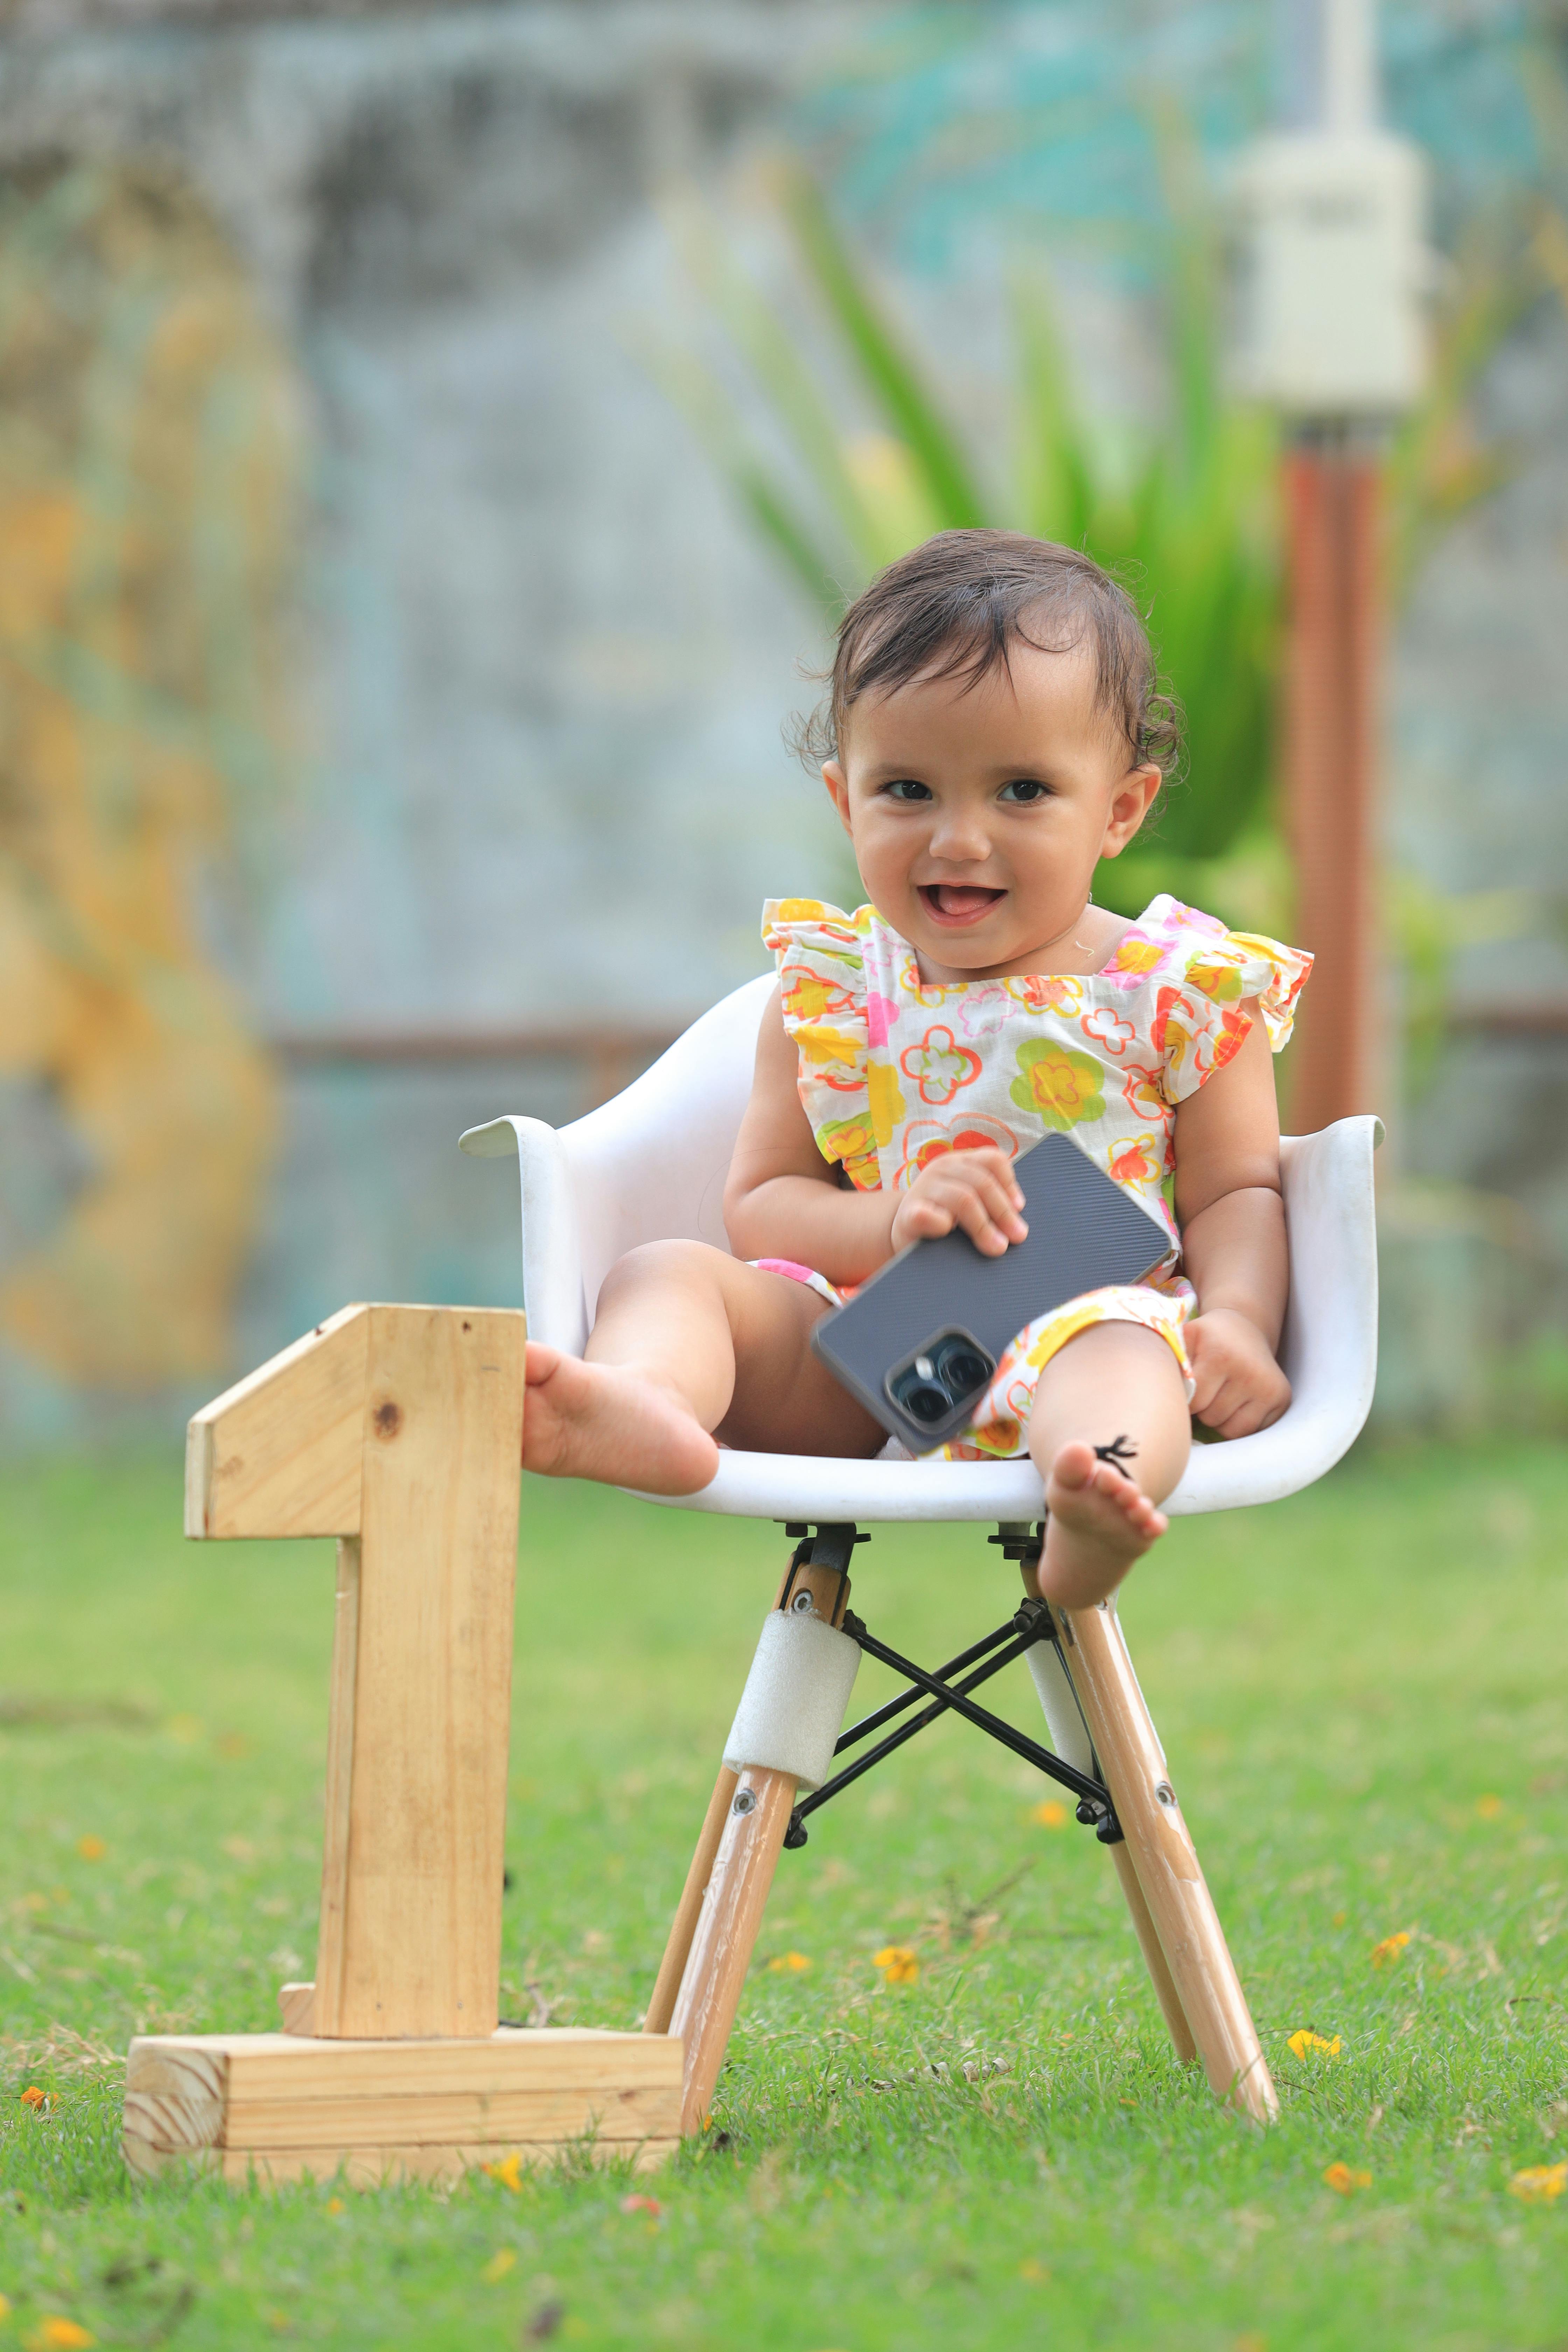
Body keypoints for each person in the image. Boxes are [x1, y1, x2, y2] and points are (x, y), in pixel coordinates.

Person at [523, 531, 1310, 1610]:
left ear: (1120, 810)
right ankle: (645, 1398)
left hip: (1077, 1323)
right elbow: (762, 1208)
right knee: (665, 1270)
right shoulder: (834, 993)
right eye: (907, 789)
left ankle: (1099, 1499)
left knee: (1127, 1363)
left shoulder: (1175, 989)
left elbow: (1238, 1190)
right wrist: (889, 1221)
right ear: (846, 801)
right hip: (862, 1343)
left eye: (1023, 791)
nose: (960, 839)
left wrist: (1240, 1322)